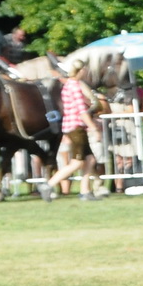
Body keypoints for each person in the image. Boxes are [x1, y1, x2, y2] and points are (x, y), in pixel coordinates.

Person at [46, 61, 101, 199]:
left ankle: (85, 191)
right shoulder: (75, 86)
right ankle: (49, 184)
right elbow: (81, 111)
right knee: (77, 162)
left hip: (73, 126)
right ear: (80, 70)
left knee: (90, 159)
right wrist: (94, 128)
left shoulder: (68, 85)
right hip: (76, 127)